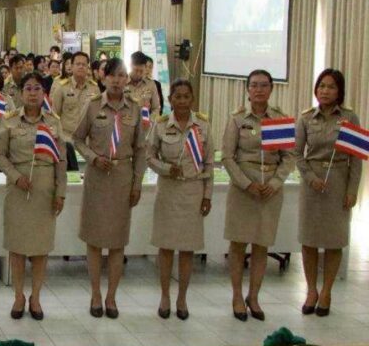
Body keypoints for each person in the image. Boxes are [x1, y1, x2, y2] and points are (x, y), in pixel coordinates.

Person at [73, 57, 146, 319]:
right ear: (104, 78)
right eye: (112, 75)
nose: (117, 80)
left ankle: (111, 297)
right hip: (97, 179)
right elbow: (77, 139)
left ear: (127, 79)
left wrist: (137, 183)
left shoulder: (135, 108)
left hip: (122, 178)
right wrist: (93, 158)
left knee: (117, 242)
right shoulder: (93, 105)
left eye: (122, 75)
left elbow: (141, 149)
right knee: (94, 240)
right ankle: (95, 294)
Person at [222, 69, 296, 321]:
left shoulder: (280, 119)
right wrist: (246, 184)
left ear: (271, 88)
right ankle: (236, 296)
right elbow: (227, 157)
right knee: (238, 243)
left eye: (264, 85)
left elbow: (289, 157)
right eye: (254, 85)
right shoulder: (237, 118)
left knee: (261, 244)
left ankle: (253, 297)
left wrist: (275, 183)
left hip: (269, 191)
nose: (259, 90)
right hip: (243, 190)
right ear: (247, 89)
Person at [0, 72, 66, 320]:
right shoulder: (9, 120)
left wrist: (61, 192)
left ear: (44, 93)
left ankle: (35, 297)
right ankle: (18, 296)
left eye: (37, 88)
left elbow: (61, 160)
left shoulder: (53, 122)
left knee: (40, 247)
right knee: (17, 246)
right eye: (28, 88)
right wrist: (15, 177)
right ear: (21, 92)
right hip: (17, 188)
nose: (33, 93)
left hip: (44, 188)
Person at [295, 69, 361, 317]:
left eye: (331, 87)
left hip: (338, 182)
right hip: (312, 183)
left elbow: (356, 158)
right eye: (321, 86)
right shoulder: (306, 118)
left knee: (335, 240)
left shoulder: (349, 117)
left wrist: (352, 190)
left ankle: (326, 292)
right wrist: (310, 178)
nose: (325, 91)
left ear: (339, 91)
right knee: (309, 240)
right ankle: (311, 290)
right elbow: (296, 154)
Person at [146, 80, 212, 320]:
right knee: (165, 247)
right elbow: (149, 156)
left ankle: (182, 298)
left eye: (186, 96)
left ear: (192, 99)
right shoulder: (161, 124)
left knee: (187, 249)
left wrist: (207, 195)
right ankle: (164, 296)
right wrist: (165, 168)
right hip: (168, 191)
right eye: (178, 96)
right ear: (170, 99)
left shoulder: (202, 125)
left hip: (193, 191)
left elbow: (209, 164)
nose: (182, 101)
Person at [50, 51, 100, 171]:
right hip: (67, 141)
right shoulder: (62, 87)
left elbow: (98, 117)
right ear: (71, 67)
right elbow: (54, 116)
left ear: (88, 67)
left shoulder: (94, 88)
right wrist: (56, 139)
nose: (81, 67)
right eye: (78, 64)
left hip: (88, 144)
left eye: (84, 64)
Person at [126, 51, 161, 116]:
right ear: (130, 65)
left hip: (145, 121)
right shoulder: (122, 82)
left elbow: (156, 108)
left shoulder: (150, 84)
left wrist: (151, 120)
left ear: (145, 67)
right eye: (136, 70)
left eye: (141, 71)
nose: (138, 74)